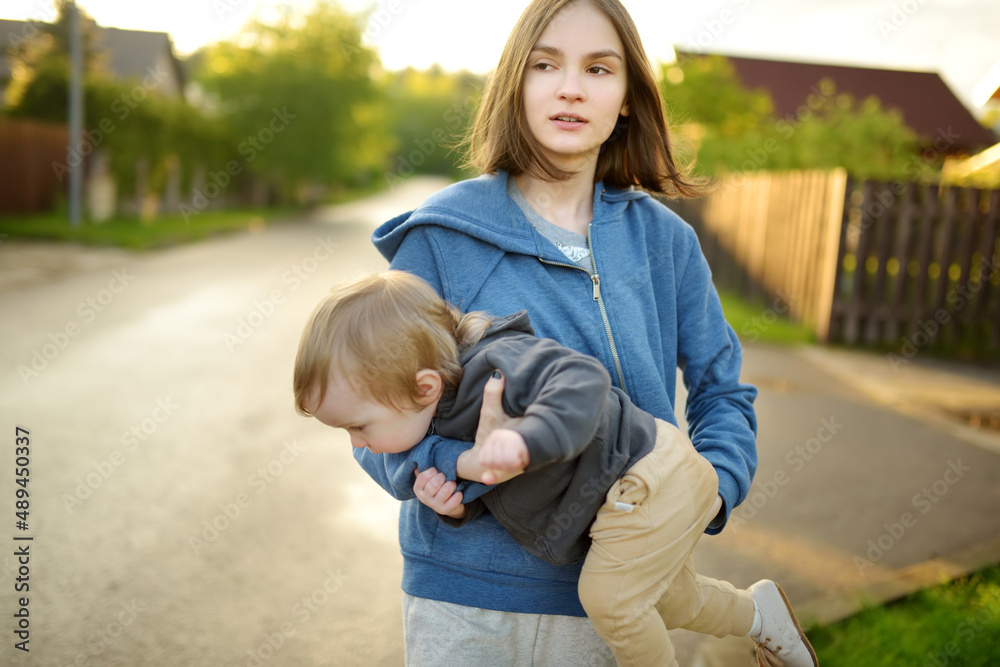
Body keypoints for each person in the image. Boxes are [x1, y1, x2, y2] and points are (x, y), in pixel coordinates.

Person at [354, 0, 767, 664]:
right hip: (465, 601)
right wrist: (427, 467)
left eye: (599, 68)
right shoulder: (440, 239)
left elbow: (723, 389)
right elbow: (370, 410)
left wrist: (713, 485)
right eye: (546, 64)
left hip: (612, 602)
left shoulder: (668, 244)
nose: (570, 86)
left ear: (627, 97)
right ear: (516, 84)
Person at [293, 270, 818, 667]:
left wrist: (525, 442)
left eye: (358, 428)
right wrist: (452, 507)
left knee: (610, 602)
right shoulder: (436, 419)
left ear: (424, 386)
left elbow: (583, 385)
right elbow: (500, 495)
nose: (357, 445)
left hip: (653, 474)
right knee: (670, 601)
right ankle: (758, 613)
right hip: (624, 506)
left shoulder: (502, 363)